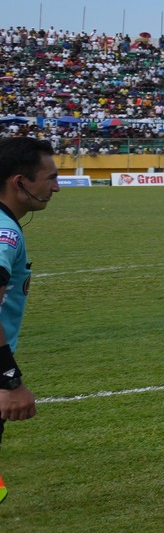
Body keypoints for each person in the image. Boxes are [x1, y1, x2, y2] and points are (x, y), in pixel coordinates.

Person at [1, 137, 60, 505]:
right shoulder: (4, 234)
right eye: (50, 178)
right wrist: (8, 380)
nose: (56, 187)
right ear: (19, 182)